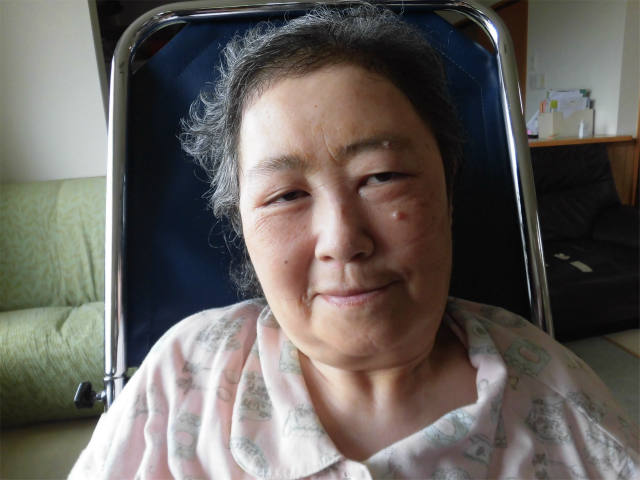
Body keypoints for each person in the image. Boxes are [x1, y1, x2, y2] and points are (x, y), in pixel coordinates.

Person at [70, 4, 638, 479]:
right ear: (241, 226)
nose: (342, 241)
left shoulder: (560, 401)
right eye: (286, 195)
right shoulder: (181, 379)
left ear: (448, 192)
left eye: (382, 177)